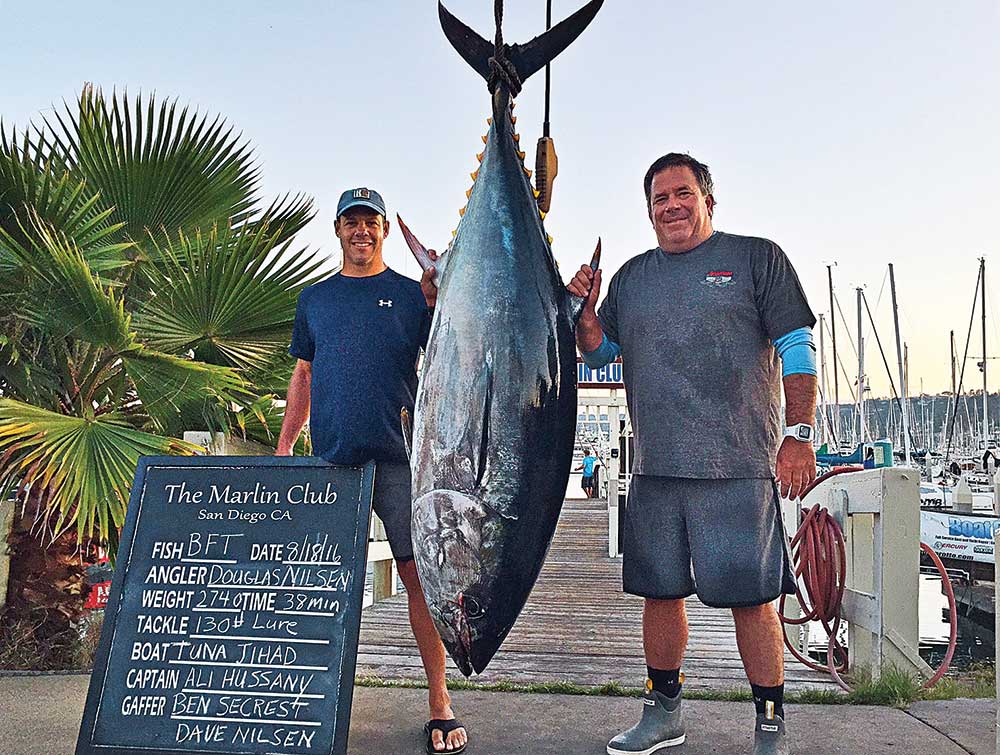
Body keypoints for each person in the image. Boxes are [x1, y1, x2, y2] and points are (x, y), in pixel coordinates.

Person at [568, 153, 817, 755]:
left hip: (737, 467)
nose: (672, 207)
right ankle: (663, 712)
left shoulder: (757, 259)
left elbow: (799, 347)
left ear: (708, 199)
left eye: (683, 194)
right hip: (655, 470)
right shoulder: (631, 277)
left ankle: (769, 724)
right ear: (649, 212)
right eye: (659, 199)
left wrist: (800, 433)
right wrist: (584, 313)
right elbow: (599, 354)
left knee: (753, 600)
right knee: (660, 594)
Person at [276, 187, 467, 755]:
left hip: (400, 459)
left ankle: (440, 703)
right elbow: (304, 375)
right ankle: (297, 703)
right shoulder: (315, 299)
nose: (361, 231)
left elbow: (451, 356)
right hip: (331, 461)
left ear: (385, 231)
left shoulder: (412, 295)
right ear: (337, 230)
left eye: (371, 222)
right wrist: (286, 445)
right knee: (312, 585)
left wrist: (438, 299)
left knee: (417, 579)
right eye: (351, 222)